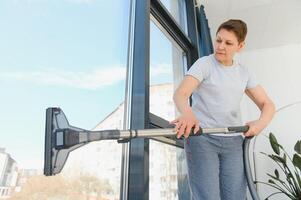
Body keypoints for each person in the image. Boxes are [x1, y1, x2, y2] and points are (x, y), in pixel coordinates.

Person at [170, 19, 275, 200]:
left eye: (228, 43)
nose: (220, 46)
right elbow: (181, 94)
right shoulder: (204, 64)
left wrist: (260, 123)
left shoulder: (244, 72)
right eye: (218, 40)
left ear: (240, 46)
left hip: (233, 142)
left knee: (235, 196)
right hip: (202, 138)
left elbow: (268, 104)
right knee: (208, 196)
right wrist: (187, 114)